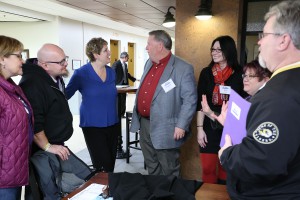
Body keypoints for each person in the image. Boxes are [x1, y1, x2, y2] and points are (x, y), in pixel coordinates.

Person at [219, 1, 300, 199]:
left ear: (283, 41)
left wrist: (227, 154)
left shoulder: (279, 94)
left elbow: (261, 161)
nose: (259, 42)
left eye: (264, 35)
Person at [19, 44, 92, 200]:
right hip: (42, 150)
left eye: (65, 59)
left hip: (55, 144)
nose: (65, 64)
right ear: (45, 65)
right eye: (61, 62)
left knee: (60, 182)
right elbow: (34, 120)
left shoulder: (53, 76)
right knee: (45, 188)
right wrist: (47, 146)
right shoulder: (32, 83)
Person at [130, 30, 197, 176]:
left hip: (167, 128)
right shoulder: (149, 63)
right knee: (151, 166)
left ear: (160, 46)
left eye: (149, 44)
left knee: (169, 170)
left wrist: (181, 125)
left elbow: (190, 100)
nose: (146, 48)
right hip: (145, 124)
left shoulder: (183, 68)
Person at [196, 35, 246, 184]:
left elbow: (244, 103)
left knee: (226, 168)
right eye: (213, 49)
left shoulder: (240, 74)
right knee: (208, 167)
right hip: (209, 126)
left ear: (229, 51)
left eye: (219, 49)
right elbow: (200, 103)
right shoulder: (206, 73)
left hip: (231, 127)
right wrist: (199, 128)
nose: (214, 52)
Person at [65, 37, 119, 172]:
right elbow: (64, 95)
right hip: (92, 125)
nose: (109, 53)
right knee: (102, 164)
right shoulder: (81, 73)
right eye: (106, 50)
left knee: (111, 163)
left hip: (113, 123)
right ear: (95, 54)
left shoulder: (111, 72)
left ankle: (108, 189)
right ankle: (101, 189)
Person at [0, 35, 34, 200]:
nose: (23, 60)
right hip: (3, 175)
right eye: (19, 55)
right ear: (2, 59)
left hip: (15, 167)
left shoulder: (11, 87)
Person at [201, 59, 271, 126]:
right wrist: (210, 113)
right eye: (245, 75)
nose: (245, 79)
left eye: (251, 76)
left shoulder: (265, 104)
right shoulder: (247, 100)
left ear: (266, 80)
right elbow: (233, 124)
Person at [111, 52, 137, 118]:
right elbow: (112, 73)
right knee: (118, 100)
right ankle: (117, 114)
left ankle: (122, 114)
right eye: (128, 57)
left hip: (125, 84)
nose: (128, 59)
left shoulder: (125, 65)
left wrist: (134, 79)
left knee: (123, 99)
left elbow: (126, 73)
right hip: (118, 85)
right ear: (125, 57)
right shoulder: (116, 64)